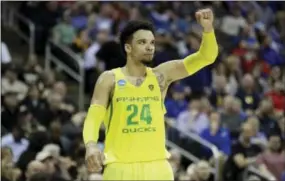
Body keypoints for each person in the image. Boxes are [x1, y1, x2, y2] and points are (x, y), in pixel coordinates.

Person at [83, 8, 218, 180]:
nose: (149, 47)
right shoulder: (109, 79)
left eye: (152, 43)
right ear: (128, 47)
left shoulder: (162, 75)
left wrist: (207, 30)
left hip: (158, 167)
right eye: (142, 42)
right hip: (120, 167)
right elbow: (93, 117)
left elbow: (206, 57)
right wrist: (91, 145)